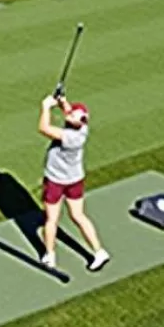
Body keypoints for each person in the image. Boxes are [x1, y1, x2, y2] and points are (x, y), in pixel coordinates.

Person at [38, 93, 110, 273]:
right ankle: (99, 252)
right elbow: (70, 113)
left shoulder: (70, 137)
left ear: (79, 121)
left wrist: (46, 106)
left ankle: (49, 255)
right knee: (78, 215)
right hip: (75, 180)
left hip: (56, 180)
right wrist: (62, 102)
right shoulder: (82, 127)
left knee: (51, 219)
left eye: (71, 115)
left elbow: (44, 128)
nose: (68, 115)